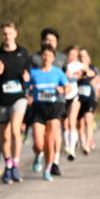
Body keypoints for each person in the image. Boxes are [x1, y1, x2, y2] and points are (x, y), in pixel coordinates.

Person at [0, 22, 31, 185]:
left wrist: (26, 78)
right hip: (1, 99)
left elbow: (28, 73)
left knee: (15, 130)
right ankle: (8, 165)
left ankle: (16, 164)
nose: (7, 36)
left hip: (18, 97)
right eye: (4, 34)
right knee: (3, 135)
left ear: (15, 34)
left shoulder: (23, 52)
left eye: (9, 33)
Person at [27, 46, 68, 181]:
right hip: (38, 109)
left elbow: (68, 86)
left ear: (53, 58)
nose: (46, 58)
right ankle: (38, 155)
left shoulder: (58, 72)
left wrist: (62, 89)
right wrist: (28, 94)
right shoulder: (34, 73)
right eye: (44, 55)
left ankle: (48, 169)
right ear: (40, 57)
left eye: (49, 55)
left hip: (53, 108)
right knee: (39, 143)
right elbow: (26, 87)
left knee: (50, 142)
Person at [77, 48, 100, 155]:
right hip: (78, 99)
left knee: (88, 121)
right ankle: (83, 143)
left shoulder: (93, 68)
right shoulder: (75, 68)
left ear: (88, 58)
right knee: (80, 124)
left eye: (84, 56)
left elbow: (95, 76)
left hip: (90, 98)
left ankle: (87, 144)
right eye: (80, 56)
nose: (82, 58)